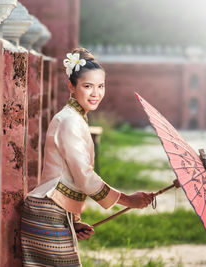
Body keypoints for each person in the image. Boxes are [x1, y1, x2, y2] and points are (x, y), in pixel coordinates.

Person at [20, 47, 153, 267]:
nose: (96, 93)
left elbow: (66, 175)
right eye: (88, 86)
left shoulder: (76, 118)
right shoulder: (70, 120)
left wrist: (73, 221)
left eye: (100, 86)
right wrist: (128, 200)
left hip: (56, 212)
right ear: (71, 86)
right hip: (48, 212)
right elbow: (83, 176)